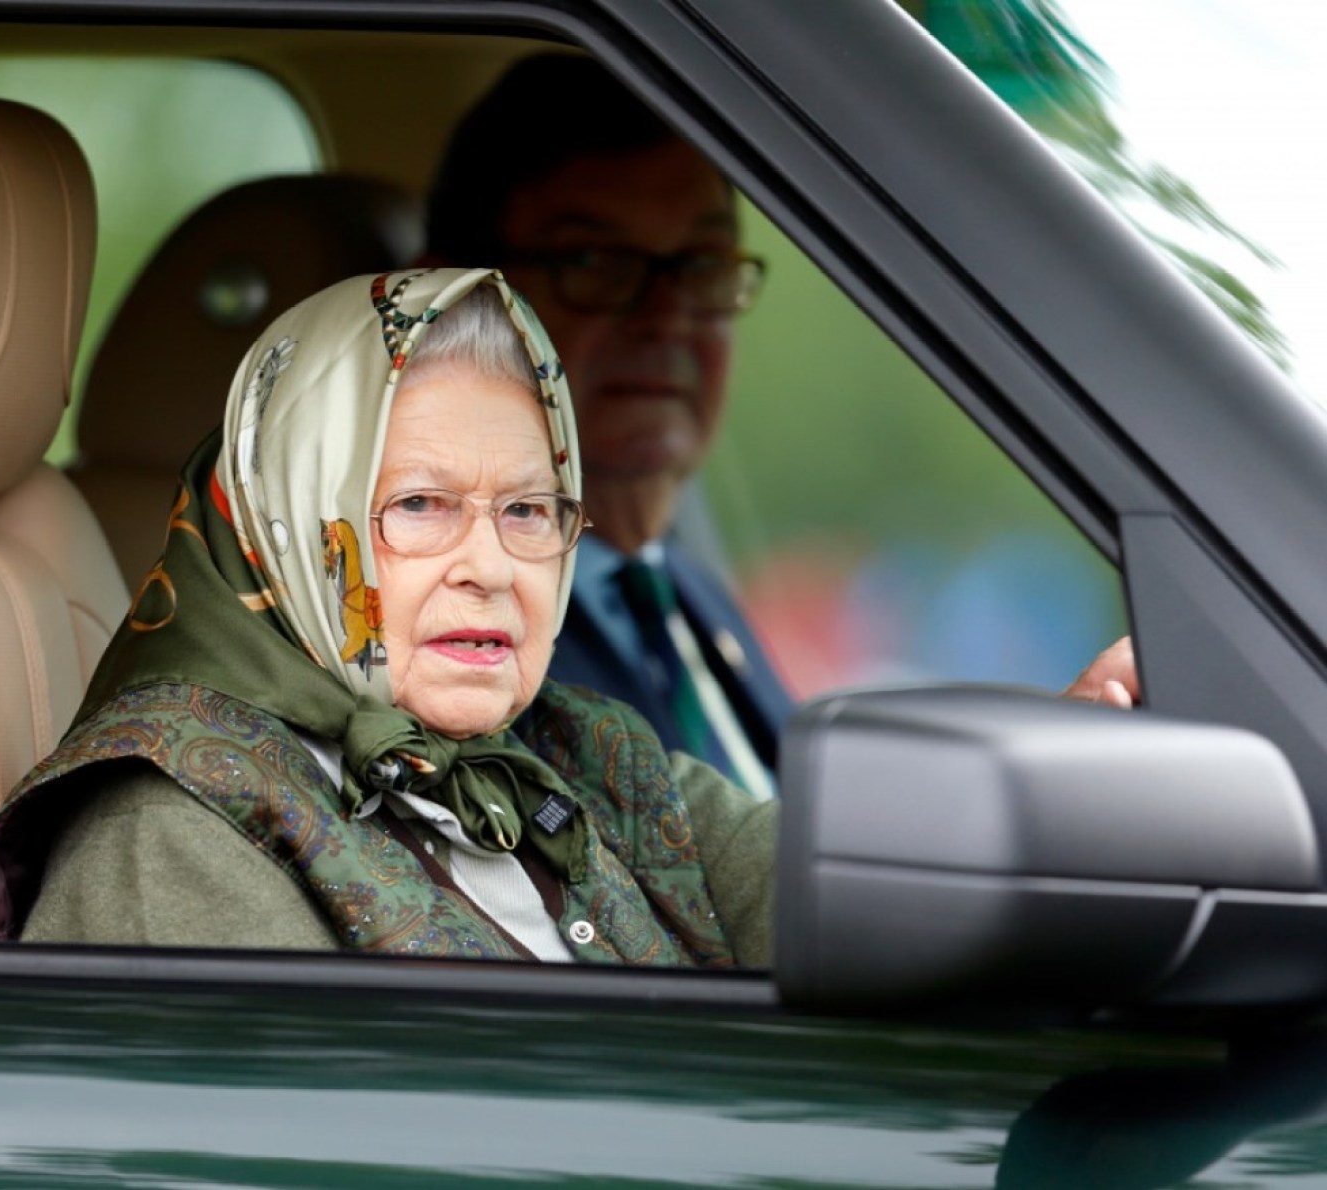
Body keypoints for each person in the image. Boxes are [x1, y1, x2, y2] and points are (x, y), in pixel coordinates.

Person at [0, 268, 777, 967]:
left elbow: (839, 880)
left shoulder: (587, 758)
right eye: (420, 505)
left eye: (528, 510)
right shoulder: (172, 838)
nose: (492, 569)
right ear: (286, 525)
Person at [423, 55, 1136, 794]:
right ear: (456, 305)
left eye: (700, 263)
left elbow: (774, 847)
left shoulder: (671, 583)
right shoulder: (458, 640)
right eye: (593, 259)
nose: (667, 316)